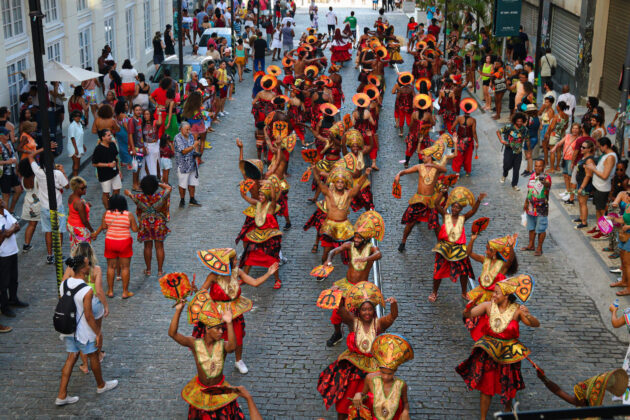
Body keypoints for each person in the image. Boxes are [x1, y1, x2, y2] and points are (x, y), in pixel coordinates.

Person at [456, 277, 539, 419]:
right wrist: (468, 309)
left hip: (509, 357)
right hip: (488, 354)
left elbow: (535, 324)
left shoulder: (517, 310)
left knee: (508, 389)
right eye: (494, 292)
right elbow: (468, 315)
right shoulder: (488, 306)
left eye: (496, 293)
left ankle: (507, 414)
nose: (493, 295)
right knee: (486, 388)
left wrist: (528, 315)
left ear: (506, 296)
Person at [318, 283, 398, 418]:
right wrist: (338, 295)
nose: (367, 313)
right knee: (344, 404)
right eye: (364, 310)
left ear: (374, 311)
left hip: (373, 369)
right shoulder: (353, 322)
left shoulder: (379, 324)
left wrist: (394, 304)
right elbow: (341, 309)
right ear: (359, 312)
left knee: (373, 405)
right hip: (353, 368)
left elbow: (393, 316)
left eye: (370, 309)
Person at [195, 248, 278, 374]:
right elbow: (202, 293)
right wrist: (194, 289)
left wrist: (268, 273)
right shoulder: (213, 276)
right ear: (226, 262)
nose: (237, 260)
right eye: (234, 259)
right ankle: (218, 362)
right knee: (219, 339)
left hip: (235, 312)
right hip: (218, 315)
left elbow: (254, 283)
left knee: (238, 338)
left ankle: (238, 361)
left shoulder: (237, 272)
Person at [55, 255, 118, 406]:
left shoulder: (64, 284)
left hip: (69, 329)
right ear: (83, 269)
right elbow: (89, 315)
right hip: (83, 331)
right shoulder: (87, 290)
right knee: (94, 356)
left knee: (71, 358)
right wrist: (98, 333)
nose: (90, 266)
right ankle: (101, 385)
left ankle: (62, 394)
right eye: (88, 264)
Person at [169, 302, 247, 418]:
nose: (221, 332)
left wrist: (230, 323)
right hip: (201, 391)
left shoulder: (223, 345)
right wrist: (178, 310)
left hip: (219, 390)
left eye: (222, 329)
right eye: (218, 329)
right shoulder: (194, 343)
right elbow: (172, 334)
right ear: (207, 328)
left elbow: (232, 347)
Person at [324, 211, 383, 347]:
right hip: (346, 285)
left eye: (359, 238)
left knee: (363, 314)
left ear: (365, 239)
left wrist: (367, 258)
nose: (356, 240)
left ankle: (367, 336)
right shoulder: (349, 246)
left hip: (361, 288)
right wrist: (328, 259)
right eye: (355, 237)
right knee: (336, 313)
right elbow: (334, 251)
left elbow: (379, 254)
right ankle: (338, 333)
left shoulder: (371, 248)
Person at [395, 140, 453, 252]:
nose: (422, 158)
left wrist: (431, 165)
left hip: (431, 199)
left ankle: (440, 244)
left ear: (430, 156)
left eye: (424, 156)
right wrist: (398, 174)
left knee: (435, 224)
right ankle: (403, 241)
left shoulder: (436, 167)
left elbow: (444, 169)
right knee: (410, 222)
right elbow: (406, 171)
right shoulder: (419, 166)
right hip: (419, 199)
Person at [432, 187, 485, 302]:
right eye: (454, 206)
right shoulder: (446, 216)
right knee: (438, 271)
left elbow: (473, 211)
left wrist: (479, 200)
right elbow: (436, 204)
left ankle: (464, 292)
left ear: (461, 209)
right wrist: (442, 192)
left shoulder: (462, 218)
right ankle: (434, 292)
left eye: (457, 207)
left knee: (464, 271)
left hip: (459, 249)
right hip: (445, 248)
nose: (455, 209)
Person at [62, 242, 108, 374]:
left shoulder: (71, 269)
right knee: (96, 331)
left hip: (78, 303)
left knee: (81, 333)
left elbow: (64, 285)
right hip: (94, 302)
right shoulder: (96, 269)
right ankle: (98, 355)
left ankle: (85, 365)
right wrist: (105, 305)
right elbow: (99, 291)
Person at [313, 165, 371, 265]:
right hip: (330, 226)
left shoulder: (348, 194)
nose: (340, 184)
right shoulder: (328, 193)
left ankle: (351, 271)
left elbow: (358, 185)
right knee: (326, 251)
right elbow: (318, 181)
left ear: (345, 184)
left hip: (344, 226)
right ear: (334, 183)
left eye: (342, 182)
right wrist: (314, 168)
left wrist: (365, 174)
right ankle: (323, 268)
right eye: (338, 182)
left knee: (350, 251)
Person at [351, 334, 413, 419]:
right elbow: (363, 396)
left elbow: (405, 403)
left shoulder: (401, 385)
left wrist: (406, 411)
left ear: (395, 371)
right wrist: (358, 394)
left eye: (390, 374)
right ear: (379, 369)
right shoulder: (370, 379)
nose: (386, 377)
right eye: (383, 373)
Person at [91, 194, 138, 299]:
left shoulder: (106, 213)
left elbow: (104, 226)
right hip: (124, 242)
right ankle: (125, 292)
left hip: (110, 242)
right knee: (125, 267)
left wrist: (96, 233)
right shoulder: (128, 215)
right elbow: (135, 229)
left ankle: (110, 290)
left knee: (110, 267)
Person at [125, 176, 171, 277]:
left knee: (147, 247)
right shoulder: (160, 196)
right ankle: (160, 270)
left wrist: (129, 193)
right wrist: (157, 183)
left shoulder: (139, 198)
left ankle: (148, 270)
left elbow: (130, 195)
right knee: (159, 247)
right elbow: (168, 188)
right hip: (159, 223)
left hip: (145, 224)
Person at [29, 150, 69, 264]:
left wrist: (43, 149)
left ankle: (50, 255)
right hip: (57, 206)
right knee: (59, 230)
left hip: (45, 206)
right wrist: (63, 171)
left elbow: (30, 156)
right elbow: (67, 186)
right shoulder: (58, 174)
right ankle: (59, 254)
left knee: (48, 230)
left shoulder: (38, 172)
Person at [537, 367, 627, 407]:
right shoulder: (602, 412)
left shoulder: (580, 404)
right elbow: (557, 390)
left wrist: (543, 378)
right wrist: (543, 378)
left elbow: (558, 391)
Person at [586, 137, 618, 238]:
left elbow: (605, 175)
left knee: (602, 210)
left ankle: (605, 230)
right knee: (597, 208)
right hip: (598, 186)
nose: (599, 149)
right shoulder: (606, 156)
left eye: (599, 146)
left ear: (605, 146)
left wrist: (593, 169)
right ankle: (599, 226)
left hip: (603, 187)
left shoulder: (610, 157)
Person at [0, 196, 26, 321]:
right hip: (3, 253)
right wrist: (11, 229)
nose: (2, 200)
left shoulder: (5, 213)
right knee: (3, 282)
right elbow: (4, 234)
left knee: (13, 278)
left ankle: (13, 299)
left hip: (12, 250)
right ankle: (4, 307)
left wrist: (10, 230)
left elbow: (17, 226)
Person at [522, 159, 551, 256]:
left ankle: (539, 247)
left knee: (541, 228)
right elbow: (529, 190)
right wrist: (526, 202)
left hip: (541, 207)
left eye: (540, 166)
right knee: (531, 226)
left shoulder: (546, 177)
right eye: (536, 166)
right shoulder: (532, 176)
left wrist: (543, 182)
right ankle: (531, 245)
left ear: (543, 167)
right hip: (531, 206)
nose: (538, 168)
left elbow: (548, 185)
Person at [497, 112, 529, 191]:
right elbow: (498, 131)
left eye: (521, 121)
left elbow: (527, 140)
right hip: (509, 150)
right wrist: (501, 140)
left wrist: (528, 151)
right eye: (518, 121)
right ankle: (505, 174)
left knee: (516, 169)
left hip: (518, 152)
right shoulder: (508, 127)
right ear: (515, 121)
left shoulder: (525, 129)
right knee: (507, 165)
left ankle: (514, 184)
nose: (519, 123)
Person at [92, 129, 123, 209]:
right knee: (106, 193)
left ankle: (114, 206)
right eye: (108, 135)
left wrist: (119, 170)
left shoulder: (112, 145)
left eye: (111, 135)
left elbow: (116, 158)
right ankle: (108, 209)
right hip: (104, 175)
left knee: (117, 190)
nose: (111, 137)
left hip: (114, 173)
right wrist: (108, 165)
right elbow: (94, 163)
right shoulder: (98, 149)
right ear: (103, 138)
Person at [551, 122, 580, 204]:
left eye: (576, 128)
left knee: (571, 177)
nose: (574, 130)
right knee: (565, 175)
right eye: (573, 128)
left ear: (579, 130)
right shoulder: (567, 136)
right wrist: (554, 148)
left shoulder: (579, 139)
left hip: (572, 159)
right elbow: (560, 143)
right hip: (565, 158)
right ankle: (567, 191)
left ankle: (571, 194)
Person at [174, 122, 201, 208]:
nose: (189, 131)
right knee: (182, 183)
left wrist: (196, 152)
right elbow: (183, 151)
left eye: (189, 129)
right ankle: (182, 200)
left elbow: (193, 148)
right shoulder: (177, 138)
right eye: (187, 129)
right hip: (183, 165)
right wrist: (194, 146)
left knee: (192, 182)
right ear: (181, 129)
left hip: (192, 163)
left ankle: (192, 199)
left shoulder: (190, 136)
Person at [16, 158, 39, 253]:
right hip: (39, 203)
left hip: (28, 204)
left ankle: (26, 244)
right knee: (48, 226)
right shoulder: (36, 177)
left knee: (31, 225)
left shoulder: (23, 178)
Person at [67, 177, 94, 252]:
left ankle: (74, 262)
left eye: (85, 187)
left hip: (72, 226)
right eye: (82, 188)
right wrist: (92, 231)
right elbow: (84, 221)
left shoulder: (71, 197)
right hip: (80, 229)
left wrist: (86, 205)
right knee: (85, 252)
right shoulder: (79, 203)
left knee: (75, 249)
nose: (85, 189)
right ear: (76, 189)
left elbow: (74, 210)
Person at [451, 99, 478, 176]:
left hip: (460, 141)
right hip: (469, 140)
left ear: (464, 109)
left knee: (458, 156)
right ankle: (467, 172)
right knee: (468, 156)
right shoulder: (473, 120)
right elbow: (474, 132)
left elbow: (452, 128)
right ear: (471, 110)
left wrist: (455, 133)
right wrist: (477, 142)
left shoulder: (459, 118)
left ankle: (457, 172)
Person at [574, 139, 596, 229]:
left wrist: (582, 187)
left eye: (583, 147)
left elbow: (588, 175)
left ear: (589, 149)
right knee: (580, 200)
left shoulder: (589, 160)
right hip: (580, 182)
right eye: (581, 147)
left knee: (583, 202)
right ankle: (581, 217)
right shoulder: (584, 158)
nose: (581, 149)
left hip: (585, 185)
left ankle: (584, 221)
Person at [0, 128, 22, 215]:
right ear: (1, 136)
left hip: (12, 171)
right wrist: (7, 162)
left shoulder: (9, 143)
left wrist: (17, 167)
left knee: (18, 190)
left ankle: (11, 210)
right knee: (6, 195)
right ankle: (6, 215)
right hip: (4, 174)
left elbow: (14, 155)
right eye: (6, 134)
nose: (8, 135)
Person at [544, 101, 569, 173]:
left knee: (552, 152)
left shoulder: (556, 116)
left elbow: (552, 127)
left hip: (554, 134)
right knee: (559, 151)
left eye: (557, 106)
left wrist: (547, 133)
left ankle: (552, 168)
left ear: (559, 107)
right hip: (561, 134)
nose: (556, 107)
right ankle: (557, 166)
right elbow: (566, 126)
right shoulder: (566, 116)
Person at [67, 111, 86, 177]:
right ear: (73, 117)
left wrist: (83, 145)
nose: (78, 117)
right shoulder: (72, 126)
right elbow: (72, 138)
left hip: (79, 146)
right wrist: (76, 149)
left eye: (79, 116)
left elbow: (80, 136)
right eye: (76, 116)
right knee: (76, 163)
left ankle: (75, 177)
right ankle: (75, 178)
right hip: (73, 147)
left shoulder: (80, 124)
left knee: (77, 163)